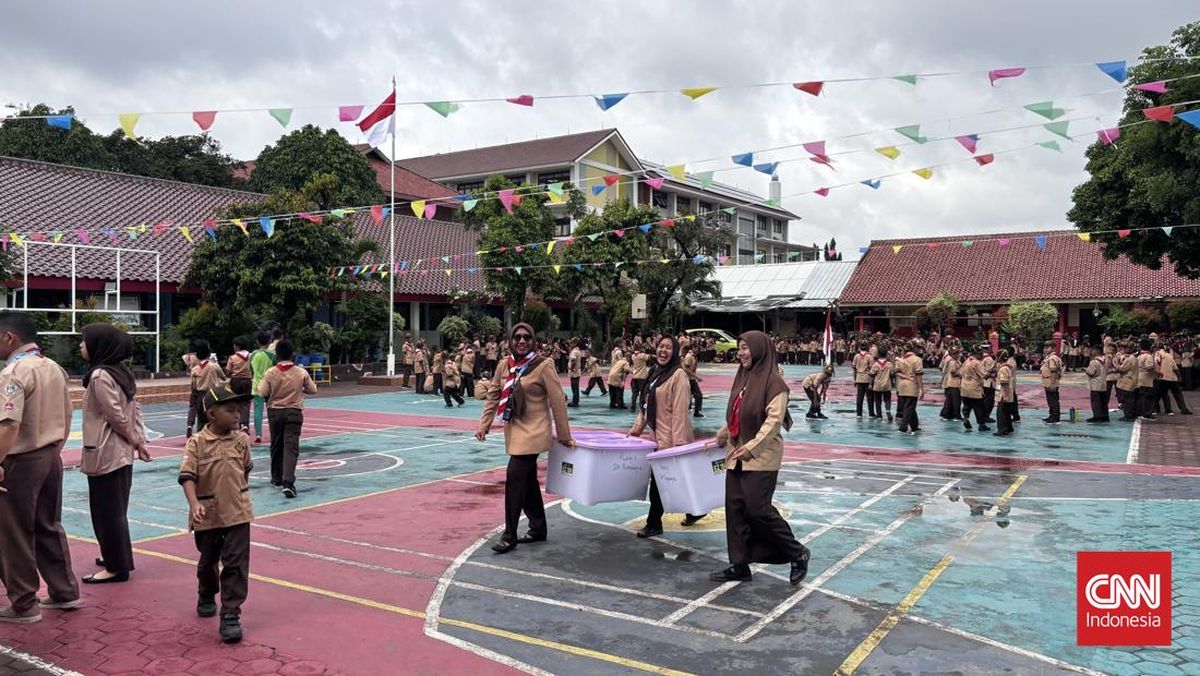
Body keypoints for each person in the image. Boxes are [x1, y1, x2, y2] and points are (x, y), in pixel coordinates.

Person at [0, 311, 81, 623]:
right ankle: (64, 591)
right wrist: (54, 449)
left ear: (10, 337)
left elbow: (8, 425)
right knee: (48, 524)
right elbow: (69, 413)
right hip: (50, 454)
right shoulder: (53, 368)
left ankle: (23, 602)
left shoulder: (14, 373)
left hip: (21, 459)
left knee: (13, 531)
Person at [711, 331, 810, 586]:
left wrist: (752, 447)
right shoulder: (742, 377)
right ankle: (740, 564)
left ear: (759, 350)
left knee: (758, 510)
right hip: (736, 454)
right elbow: (737, 414)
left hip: (761, 456)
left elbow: (773, 422)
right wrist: (722, 436)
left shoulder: (775, 384)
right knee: (735, 510)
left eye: (746, 348)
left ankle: (796, 552)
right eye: (740, 348)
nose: (741, 353)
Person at [476, 324, 574, 553]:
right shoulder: (505, 365)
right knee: (528, 482)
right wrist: (484, 425)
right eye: (517, 337)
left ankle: (509, 535)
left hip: (534, 431)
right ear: (511, 340)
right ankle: (538, 527)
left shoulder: (543, 365)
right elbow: (493, 396)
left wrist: (564, 436)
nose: (521, 341)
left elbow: (558, 401)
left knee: (515, 479)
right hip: (514, 429)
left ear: (534, 341)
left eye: (526, 337)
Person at [178, 386, 254, 643]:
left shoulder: (241, 440)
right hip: (208, 515)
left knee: (235, 563)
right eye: (230, 410)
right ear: (212, 414)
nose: (237, 415)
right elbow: (187, 476)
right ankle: (207, 592)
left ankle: (231, 614)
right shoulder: (197, 442)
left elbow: (245, 469)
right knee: (208, 560)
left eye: (238, 410)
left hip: (237, 513)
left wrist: (236, 494)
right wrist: (194, 503)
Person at [79, 323, 151, 584]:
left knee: (106, 511)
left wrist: (135, 440)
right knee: (115, 509)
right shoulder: (121, 372)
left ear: (99, 346)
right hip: (119, 452)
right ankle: (115, 556)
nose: (81, 346)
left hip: (106, 451)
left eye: (84, 341)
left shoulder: (100, 376)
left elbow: (116, 416)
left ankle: (115, 567)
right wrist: (139, 440)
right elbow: (135, 410)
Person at [628, 335, 706, 535]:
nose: (663, 351)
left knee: (658, 482)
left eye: (669, 347)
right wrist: (637, 429)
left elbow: (680, 411)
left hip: (672, 438)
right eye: (661, 346)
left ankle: (654, 523)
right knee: (678, 480)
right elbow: (646, 404)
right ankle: (695, 510)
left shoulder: (678, 375)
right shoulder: (655, 372)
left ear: (676, 352)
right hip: (657, 436)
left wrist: (678, 445)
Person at [258, 340, 318, 498]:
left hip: (275, 412)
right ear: (292, 355)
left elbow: (262, 392)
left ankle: (276, 477)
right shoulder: (300, 372)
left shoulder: (271, 372)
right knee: (291, 447)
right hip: (294, 411)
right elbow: (313, 389)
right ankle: (288, 482)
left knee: (276, 445)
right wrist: (300, 388)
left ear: (276, 355)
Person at [187, 339, 225, 438]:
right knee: (213, 418)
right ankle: (213, 437)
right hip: (212, 394)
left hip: (200, 395)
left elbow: (194, 385)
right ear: (209, 354)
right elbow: (223, 377)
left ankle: (200, 438)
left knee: (201, 419)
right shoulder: (214, 366)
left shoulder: (195, 369)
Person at [249, 331, 275, 444]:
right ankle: (273, 432)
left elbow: (250, 369)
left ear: (257, 341)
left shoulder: (253, 355)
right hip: (269, 385)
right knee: (272, 410)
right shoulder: (272, 355)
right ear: (269, 341)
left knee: (257, 411)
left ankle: (258, 434)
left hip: (256, 385)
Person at [894, 342, 924, 434]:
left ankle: (915, 426)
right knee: (909, 407)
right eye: (918, 348)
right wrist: (921, 389)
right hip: (912, 385)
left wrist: (905, 377)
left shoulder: (901, 359)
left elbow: (896, 372)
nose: (920, 350)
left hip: (902, 385)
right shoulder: (917, 359)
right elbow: (918, 376)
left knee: (909, 407)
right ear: (914, 349)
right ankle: (903, 427)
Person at [959, 346, 990, 432]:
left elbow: (960, 373)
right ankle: (981, 425)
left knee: (966, 406)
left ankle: (966, 418)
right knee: (979, 407)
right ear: (976, 354)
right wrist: (992, 372)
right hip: (974, 388)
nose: (982, 355)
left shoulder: (966, 361)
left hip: (964, 387)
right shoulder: (976, 363)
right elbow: (985, 375)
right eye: (980, 353)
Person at [226, 336, 253, 431]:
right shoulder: (251, 356)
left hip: (235, 382)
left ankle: (233, 424)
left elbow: (228, 372)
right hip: (247, 381)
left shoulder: (232, 357)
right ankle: (244, 424)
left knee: (234, 403)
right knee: (245, 404)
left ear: (237, 346)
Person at [1157, 342, 1191, 415]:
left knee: (1163, 394)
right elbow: (1175, 367)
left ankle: (1167, 409)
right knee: (1178, 394)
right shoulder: (1169, 356)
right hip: (1172, 377)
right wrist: (1179, 376)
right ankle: (1183, 408)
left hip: (1162, 377)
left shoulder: (1156, 354)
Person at [1114, 343, 1139, 421]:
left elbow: (1122, 369)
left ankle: (1128, 415)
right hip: (1131, 381)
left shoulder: (1130, 359)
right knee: (1130, 399)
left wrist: (1116, 364)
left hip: (1128, 382)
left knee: (1127, 400)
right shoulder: (1133, 358)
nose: (1123, 350)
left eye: (1125, 349)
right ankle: (1131, 414)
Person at [994, 350, 1016, 436]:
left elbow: (1004, 382)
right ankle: (1008, 428)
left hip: (1003, 394)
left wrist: (1004, 395)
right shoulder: (1007, 367)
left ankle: (1002, 430)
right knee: (1006, 413)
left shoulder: (1003, 369)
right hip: (1007, 394)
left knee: (1001, 413)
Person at [869, 349, 894, 423]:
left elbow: (871, 375)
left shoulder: (876, 364)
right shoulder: (889, 364)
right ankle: (888, 411)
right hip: (887, 385)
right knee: (887, 400)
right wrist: (892, 383)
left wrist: (870, 384)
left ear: (878, 355)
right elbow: (892, 374)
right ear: (886, 354)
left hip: (877, 385)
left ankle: (879, 415)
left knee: (877, 401)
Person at [1136, 339, 1158, 420]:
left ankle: (1140, 412)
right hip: (1147, 379)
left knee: (1142, 396)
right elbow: (1149, 367)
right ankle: (1147, 414)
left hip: (1140, 378)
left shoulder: (1139, 356)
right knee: (1148, 397)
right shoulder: (1148, 356)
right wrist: (1156, 373)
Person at [1085, 350, 1110, 423]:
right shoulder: (1106, 361)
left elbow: (1091, 372)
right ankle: (1105, 416)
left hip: (1095, 384)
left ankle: (1097, 416)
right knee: (1103, 401)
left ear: (1095, 352)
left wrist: (1086, 370)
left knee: (1096, 401)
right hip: (1103, 383)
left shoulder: (1094, 362)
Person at [1040, 346, 1064, 424]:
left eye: (1048, 348)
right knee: (1051, 400)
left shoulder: (1052, 358)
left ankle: (1054, 416)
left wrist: (1053, 383)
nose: (1045, 349)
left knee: (1053, 400)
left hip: (1051, 381)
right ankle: (1052, 415)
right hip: (1048, 381)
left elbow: (1053, 370)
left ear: (1053, 348)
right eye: (1044, 348)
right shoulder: (1049, 357)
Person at [939, 347, 963, 421]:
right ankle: (956, 415)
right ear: (953, 354)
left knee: (950, 400)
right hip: (954, 383)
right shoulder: (952, 362)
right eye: (957, 353)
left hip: (951, 382)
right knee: (956, 400)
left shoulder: (953, 360)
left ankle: (947, 415)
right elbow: (953, 372)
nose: (959, 355)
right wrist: (961, 374)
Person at [683, 345, 704, 418]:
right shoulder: (689, 357)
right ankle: (696, 411)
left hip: (691, 379)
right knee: (698, 395)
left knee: (693, 396)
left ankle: (696, 411)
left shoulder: (693, 356)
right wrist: (696, 377)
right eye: (696, 348)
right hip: (688, 379)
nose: (698, 350)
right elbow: (686, 369)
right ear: (693, 348)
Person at [852, 343, 872, 417]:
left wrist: (854, 379)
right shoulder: (869, 357)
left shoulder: (856, 356)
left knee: (859, 397)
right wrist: (871, 382)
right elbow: (871, 371)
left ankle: (859, 413)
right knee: (869, 398)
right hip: (867, 378)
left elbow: (854, 369)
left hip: (859, 378)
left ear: (860, 348)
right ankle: (871, 413)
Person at [629, 346, 649, 414]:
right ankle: (642, 406)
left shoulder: (633, 356)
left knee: (635, 393)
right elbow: (649, 357)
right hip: (642, 377)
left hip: (635, 376)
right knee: (643, 393)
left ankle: (632, 407)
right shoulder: (642, 356)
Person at [567, 339, 583, 408]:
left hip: (574, 371)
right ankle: (576, 400)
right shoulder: (578, 351)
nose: (570, 345)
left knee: (574, 387)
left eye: (571, 343)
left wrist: (572, 368)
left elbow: (573, 360)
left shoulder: (573, 352)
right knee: (576, 387)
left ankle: (575, 401)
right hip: (578, 370)